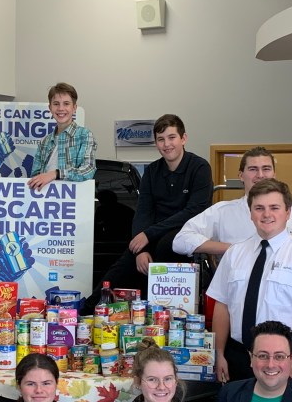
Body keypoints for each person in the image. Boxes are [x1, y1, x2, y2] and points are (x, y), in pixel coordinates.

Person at [209, 179, 292, 384]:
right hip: (237, 357)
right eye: (259, 208)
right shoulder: (234, 254)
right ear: (250, 213)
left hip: (283, 360)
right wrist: (219, 353)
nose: (266, 214)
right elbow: (222, 305)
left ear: (288, 212)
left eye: (274, 207)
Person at [85, 114, 212, 311]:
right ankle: (83, 313)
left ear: (183, 138)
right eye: (161, 139)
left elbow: (194, 210)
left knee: (165, 245)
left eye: (172, 137)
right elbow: (143, 211)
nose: (166, 144)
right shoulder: (152, 171)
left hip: (184, 233)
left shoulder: (199, 167)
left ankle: (157, 314)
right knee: (121, 268)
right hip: (153, 235)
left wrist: (148, 235)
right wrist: (140, 249)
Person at [173, 146, 292, 260]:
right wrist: (233, 249)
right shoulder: (222, 212)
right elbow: (180, 240)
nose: (260, 175)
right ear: (241, 175)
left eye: (266, 169)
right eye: (253, 169)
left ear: (274, 174)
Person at [27, 82, 96, 190]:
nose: (61, 108)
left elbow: (88, 170)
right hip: (45, 197)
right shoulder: (44, 141)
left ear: (74, 108)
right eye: (56, 104)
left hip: (73, 198)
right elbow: (35, 176)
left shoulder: (84, 135)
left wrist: (56, 174)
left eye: (66, 103)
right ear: (50, 108)